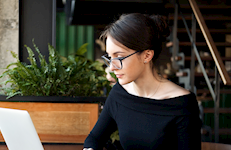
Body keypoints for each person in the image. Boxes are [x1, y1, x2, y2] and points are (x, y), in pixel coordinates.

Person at [83, 13, 201, 150]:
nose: (112, 67)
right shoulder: (119, 94)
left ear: (147, 55)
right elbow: (94, 138)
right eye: (110, 57)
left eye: (119, 58)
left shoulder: (182, 103)